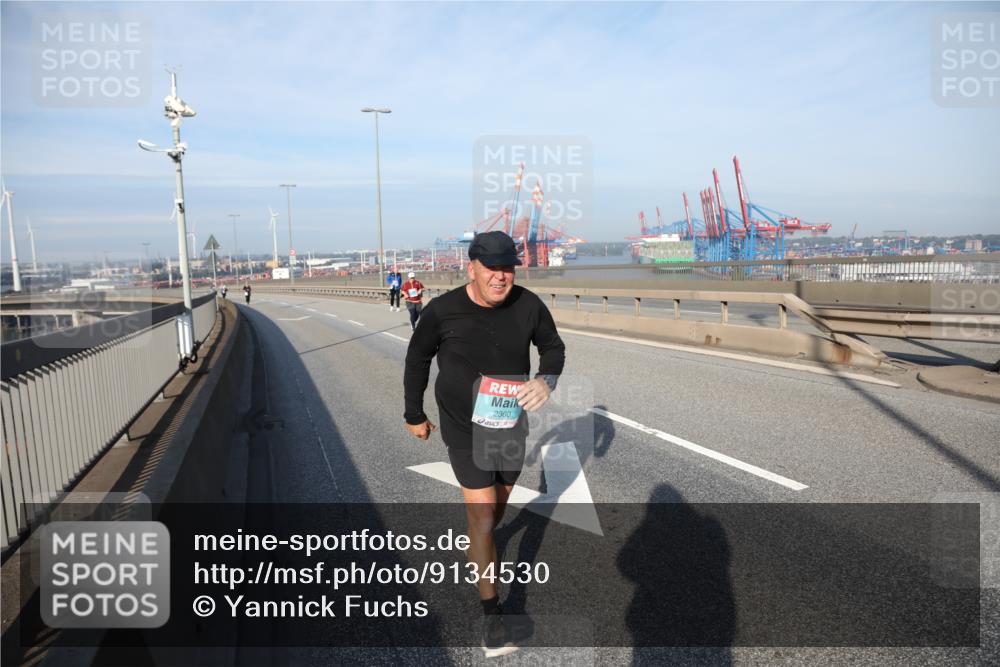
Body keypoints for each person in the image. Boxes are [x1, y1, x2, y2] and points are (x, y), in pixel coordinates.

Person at [403, 231, 565, 657]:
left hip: (509, 425)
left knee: (494, 512)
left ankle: (481, 547)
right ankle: (491, 614)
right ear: (471, 267)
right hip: (463, 427)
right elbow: (417, 359)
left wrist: (545, 381)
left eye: (507, 268)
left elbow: (553, 348)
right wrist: (413, 414)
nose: (500, 277)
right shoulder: (441, 311)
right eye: (491, 268)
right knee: (480, 516)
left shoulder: (529, 305)